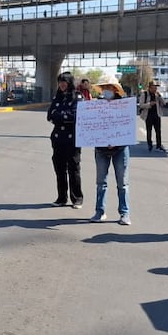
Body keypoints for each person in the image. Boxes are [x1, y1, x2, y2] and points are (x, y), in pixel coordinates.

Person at [92, 75, 131, 225]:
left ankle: (124, 214)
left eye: (109, 87)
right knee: (101, 182)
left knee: (123, 183)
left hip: (120, 149)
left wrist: (116, 141)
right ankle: (99, 212)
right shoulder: (96, 106)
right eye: (104, 88)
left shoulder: (124, 106)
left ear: (116, 90)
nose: (107, 90)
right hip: (101, 150)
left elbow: (127, 128)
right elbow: (92, 128)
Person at [47, 71, 84, 208]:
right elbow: (49, 115)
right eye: (60, 82)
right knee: (59, 168)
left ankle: (77, 198)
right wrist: (62, 116)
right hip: (57, 139)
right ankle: (61, 197)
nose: (62, 84)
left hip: (72, 138)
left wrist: (59, 115)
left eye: (64, 82)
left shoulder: (77, 97)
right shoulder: (57, 97)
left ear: (69, 83)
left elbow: (75, 116)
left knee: (73, 169)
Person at [138, 80, 166, 151]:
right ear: (150, 88)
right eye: (154, 87)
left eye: (156, 87)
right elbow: (141, 105)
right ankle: (149, 144)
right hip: (148, 115)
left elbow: (163, 103)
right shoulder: (144, 94)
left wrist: (160, 97)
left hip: (157, 115)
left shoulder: (157, 95)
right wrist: (149, 104)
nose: (155, 89)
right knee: (149, 131)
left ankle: (159, 145)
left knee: (158, 131)